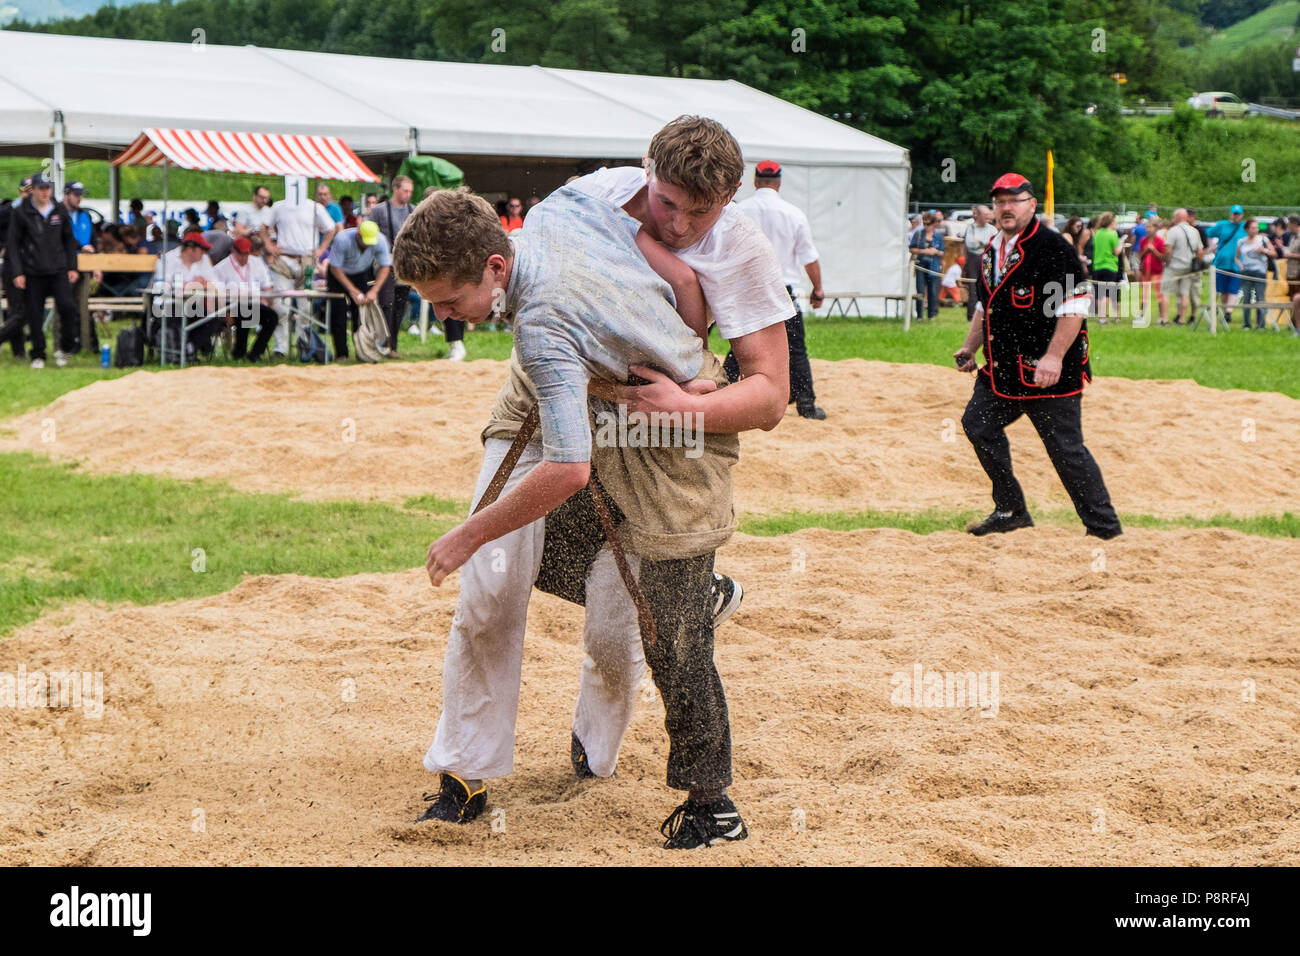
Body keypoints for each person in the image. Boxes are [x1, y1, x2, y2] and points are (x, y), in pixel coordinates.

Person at [398, 116, 792, 849]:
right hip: (552, 391)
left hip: (658, 417)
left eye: (694, 214)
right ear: (646, 169)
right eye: (663, 201)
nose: (673, 223)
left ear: (730, 199)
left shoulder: (741, 252)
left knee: (640, 621)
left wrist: (683, 400)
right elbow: (664, 272)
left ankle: (644, 757)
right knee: (491, 577)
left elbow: (770, 398)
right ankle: (462, 771)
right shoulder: (589, 196)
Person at [953, 172, 1121, 540]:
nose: (1006, 207)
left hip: (1049, 372)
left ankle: (1105, 529)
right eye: (1000, 201)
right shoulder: (991, 250)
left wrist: (1054, 357)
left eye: (1015, 200)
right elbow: (987, 306)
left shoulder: (1053, 248)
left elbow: (1074, 306)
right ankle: (1010, 509)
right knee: (978, 425)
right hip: (1002, 370)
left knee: (1065, 451)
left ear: (1032, 204)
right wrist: (970, 347)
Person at [733, 159, 826, 419]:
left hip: (746, 288)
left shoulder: (740, 210)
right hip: (781, 289)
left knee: (739, 343)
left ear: (755, 180)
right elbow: (809, 256)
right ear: (779, 182)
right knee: (795, 347)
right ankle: (806, 405)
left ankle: (723, 391)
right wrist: (818, 289)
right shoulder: (794, 214)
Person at [6, 172, 81, 368]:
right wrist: (17, 272)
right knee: (34, 314)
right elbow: (13, 244)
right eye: (41, 189)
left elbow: (69, 240)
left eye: (48, 188)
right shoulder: (21, 212)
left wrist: (72, 266)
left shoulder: (59, 210)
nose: (45, 192)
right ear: (33, 190)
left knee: (68, 307)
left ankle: (65, 348)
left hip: (58, 270)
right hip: (32, 271)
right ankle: (38, 354)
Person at [262, 191, 336, 356]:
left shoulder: (315, 207)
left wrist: (321, 249)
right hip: (283, 260)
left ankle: (304, 344)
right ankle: (280, 348)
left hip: (307, 261)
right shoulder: (279, 206)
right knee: (281, 306)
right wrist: (269, 246)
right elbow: (263, 227)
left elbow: (331, 228)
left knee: (306, 307)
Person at [150, 230, 223, 356]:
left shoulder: (204, 260)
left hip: (194, 303)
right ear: (190, 249)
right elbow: (163, 287)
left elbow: (216, 284)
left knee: (213, 320)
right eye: (203, 249)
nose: (205, 253)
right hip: (169, 303)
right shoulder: (167, 260)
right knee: (176, 316)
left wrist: (202, 285)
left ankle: (191, 348)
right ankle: (178, 351)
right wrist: (194, 284)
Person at [325, 220, 390, 360]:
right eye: (365, 241)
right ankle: (342, 354)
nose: (367, 245)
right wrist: (352, 290)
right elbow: (335, 267)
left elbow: (385, 266)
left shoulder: (380, 240)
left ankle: (362, 351)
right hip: (338, 274)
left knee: (361, 313)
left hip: (361, 272)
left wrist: (374, 290)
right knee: (339, 313)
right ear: (358, 235)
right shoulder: (342, 239)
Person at [368, 175, 415, 356]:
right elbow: (370, 235)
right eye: (405, 190)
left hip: (404, 263)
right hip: (384, 261)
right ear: (395, 189)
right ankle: (384, 343)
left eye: (410, 191)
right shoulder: (379, 210)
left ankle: (393, 345)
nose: (408, 194)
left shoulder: (413, 210)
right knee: (387, 302)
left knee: (400, 305)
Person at [212, 235, 279, 361]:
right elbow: (215, 294)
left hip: (253, 303)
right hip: (231, 306)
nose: (244, 258)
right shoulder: (221, 268)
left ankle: (256, 353)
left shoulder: (257, 263)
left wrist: (270, 303)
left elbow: (267, 286)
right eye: (241, 254)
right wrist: (225, 313)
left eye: (246, 254)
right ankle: (239, 352)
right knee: (245, 313)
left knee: (272, 317)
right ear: (234, 251)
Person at [0, 179, 31, 359]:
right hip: (12, 266)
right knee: (19, 311)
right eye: (26, 191)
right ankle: (18, 351)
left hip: (30, 266)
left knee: (20, 311)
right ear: (20, 192)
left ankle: (18, 352)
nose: (29, 195)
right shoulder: (7, 211)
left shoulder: (34, 213)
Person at [1207, 204, 1247, 326]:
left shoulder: (1244, 227)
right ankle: (1225, 311)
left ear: (1241, 215)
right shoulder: (1222, 225)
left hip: (1236, 263)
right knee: (1223, 290)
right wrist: (1211, 246)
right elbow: (1209, 232)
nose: (1236, 216)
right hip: (1221, 263)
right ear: (1231, 214)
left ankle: (1229, 312)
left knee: (1233, 290)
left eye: (1238, 214)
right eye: (1234, 214)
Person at [1164, 208, 1203, 325]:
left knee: (1165, 292)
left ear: (1178, 217)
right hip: (1189, 267)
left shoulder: (1173, 231)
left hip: (1174, 266)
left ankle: (1164, 319)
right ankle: (1182, 319)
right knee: (1184, 293)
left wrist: (1166, 262)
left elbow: (1168, 250)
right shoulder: (1194, 231)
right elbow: (1200, 251)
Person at [1234, 217, 1275, 329]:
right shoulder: (1241, 241)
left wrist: (1264, 251)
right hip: (1246, 273)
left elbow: (1274, 253)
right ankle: (1247, 324)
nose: (1255, 230)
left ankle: (1260, 324)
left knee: (1260, 298)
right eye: (1252, 228)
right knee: (1246, 298)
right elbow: (1237, 257)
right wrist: (1240, 265)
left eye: (1256, 228)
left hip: (1260, 272)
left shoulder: (1263, 240)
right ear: (1247, 229)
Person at [963, 205, 996, 321]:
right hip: (974, 261)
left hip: (989, 260)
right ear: (978, 216)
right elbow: (970, 245)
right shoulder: (970, 228)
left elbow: (994, 244)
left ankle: (989, 315)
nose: (988, 217)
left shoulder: (992, 229)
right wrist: (985, 243)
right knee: (973, 289)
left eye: (988, 214)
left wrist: (980, 242)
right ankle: (971, 317)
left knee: (989, 287)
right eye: (985, 215)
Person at [908, 211, 944, 320]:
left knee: (932, 291)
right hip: (921, 265)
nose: (925, 226)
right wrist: (924, 251)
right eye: (924, 223)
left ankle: (931, 315)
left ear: (933, 224)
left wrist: (935, 252)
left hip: (933, 266)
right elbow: (911, 248)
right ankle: (919, 316)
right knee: (920, 290)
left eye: (928, 224)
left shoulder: (938, 236)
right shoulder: (918, 234)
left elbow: (942, 252)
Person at [1090, 211, 1122, 321]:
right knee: (1107, 294)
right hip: (1110, 265)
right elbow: (1116, 252)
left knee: (1099, 293)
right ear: (1111, 221)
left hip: (1097, 266)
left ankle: (1100, 316)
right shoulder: (1112, 234)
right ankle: (1103, 318)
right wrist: (1121, 244)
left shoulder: (1097, 233)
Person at [1139, 218, 1169, 325]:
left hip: (1156, 272)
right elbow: (1140, 257)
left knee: (1159, 294)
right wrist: (1145, 251)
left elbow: (1163, 257)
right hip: (1145, 271)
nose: (1148, 229)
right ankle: (1141, 316)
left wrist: (1153, 251)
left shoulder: (1160, 241)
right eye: (1146, 227)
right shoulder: (1143, 240)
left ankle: (1161, 316)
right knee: (1144, 295)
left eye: (1150, 227)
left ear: (1156, 228)